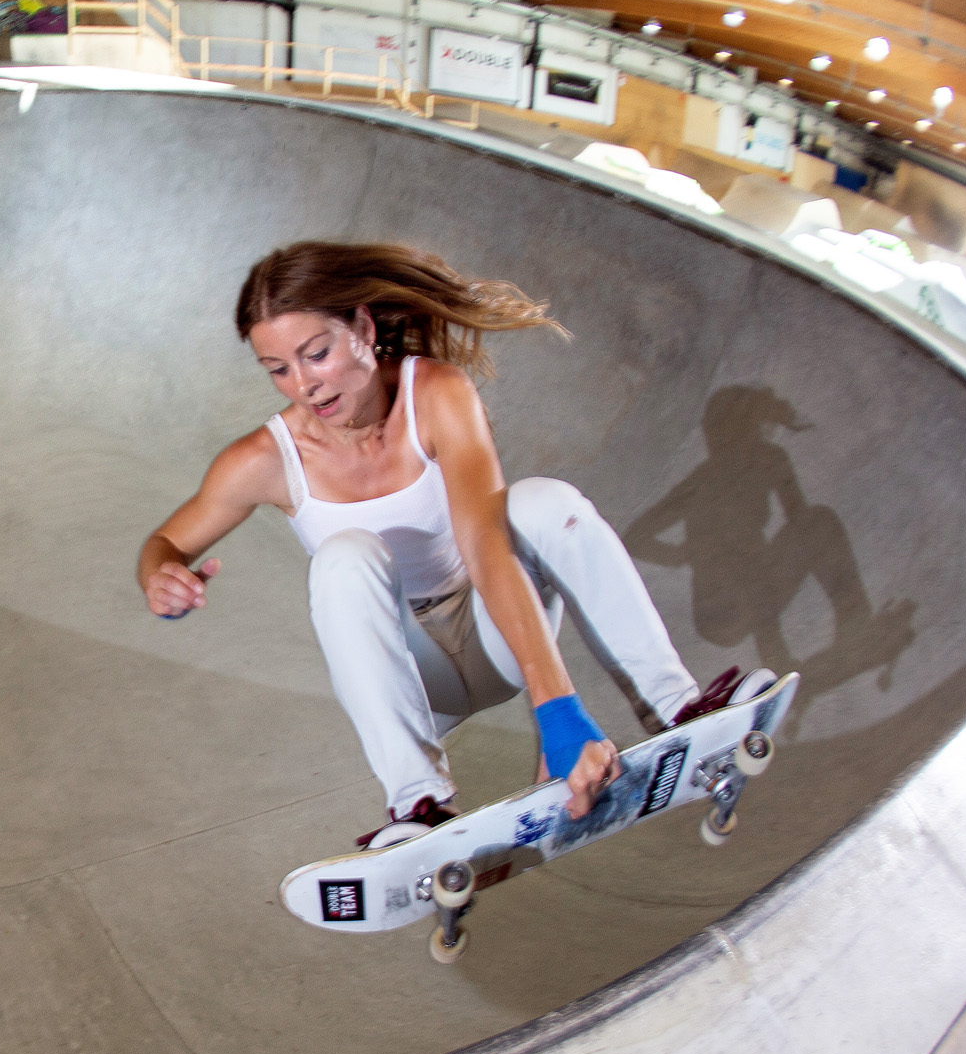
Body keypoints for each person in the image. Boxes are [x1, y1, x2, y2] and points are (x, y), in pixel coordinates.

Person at [137, 241, 772, 847]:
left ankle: (680, 712)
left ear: (362, 325)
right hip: (417, 673)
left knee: (542, 503)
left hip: (493, 628)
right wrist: (160, 575)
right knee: (344, 555)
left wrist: (558, 713)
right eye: (279, 369)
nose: (305, 384)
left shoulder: (436, 393)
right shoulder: (264, 459)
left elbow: (486, 544)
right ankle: (418, 805)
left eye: (317, 353)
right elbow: (166, 541)